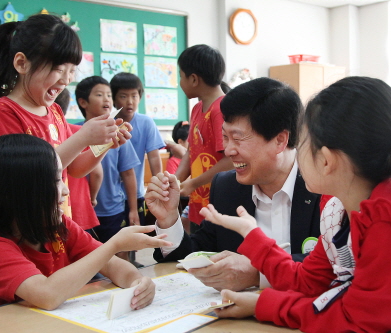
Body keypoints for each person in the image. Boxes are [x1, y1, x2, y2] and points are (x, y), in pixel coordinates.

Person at [200, 76, 391, 333]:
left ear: (326, 160)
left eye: (302, 143)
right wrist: (253, 236)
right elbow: (307, 281)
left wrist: (265, 304)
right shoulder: (337, 212)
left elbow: (353, 320)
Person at [145, 77, 322, 292]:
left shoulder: (324, 187)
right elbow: (196, 254)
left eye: (237, 139)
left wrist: (259, 273)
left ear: (280, 140)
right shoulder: (226, 187)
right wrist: (169, 219)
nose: (228, 150)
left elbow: (335, 267)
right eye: (224, 137)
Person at [0, 134, 172, 311]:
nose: (66, 189)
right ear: (20, 192)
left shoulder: (58, 226)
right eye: (55, 180)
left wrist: (137, 283)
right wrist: (114, 245)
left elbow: (110, 264)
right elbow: (47, 295)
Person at [0, 14, 131, 217]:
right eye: (58, 69)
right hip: (25, 227)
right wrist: (83, 137)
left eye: (72, 71)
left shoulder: (55, 112)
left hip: (57, 221)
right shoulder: (3, 112)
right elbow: (26, 177)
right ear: (22, 63)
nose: (66, 79)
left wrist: (104, 144)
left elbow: (74, 169)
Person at [76, 76, 141, 261]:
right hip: (83, 212)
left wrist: (133, 210)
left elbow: (128, 174)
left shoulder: (117, 131)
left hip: (112, 209)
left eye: (108, 95)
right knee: (89, 259)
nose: (106, 99)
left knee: (120, 255)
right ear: (83, 102)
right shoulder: (74, 133)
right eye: (99, 94)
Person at [174, 44, 233, 229]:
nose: (180, 82)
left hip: (220, 205)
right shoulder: (197, 109)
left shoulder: (221, 109)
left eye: (181, 76)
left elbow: (230, 161)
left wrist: (192, 183)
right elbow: (190, 153)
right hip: (198, 203)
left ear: (193, 79)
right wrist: (175, 182)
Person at [111, 72, 165, 227]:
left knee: (134, 235)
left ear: (140, 97)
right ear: (114, 99)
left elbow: (154, 157)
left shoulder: (146, 122)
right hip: (111, 196)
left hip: (135, 194)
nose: (130, 101)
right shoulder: (108, 123)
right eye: (123, 96)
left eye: (134, 96)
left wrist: (158, 189)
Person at [55, 88, 102, 233]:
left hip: (63, 206)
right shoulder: (79, 131)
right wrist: (92, 198)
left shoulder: (78, 131)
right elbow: (97, 173)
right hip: (77, 204)